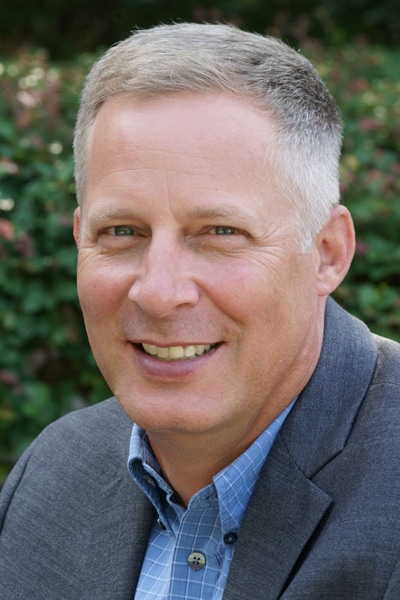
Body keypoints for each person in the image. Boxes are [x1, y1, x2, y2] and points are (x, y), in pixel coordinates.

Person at [1, 22, 400, 600]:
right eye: (121, 230)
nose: (159, 292)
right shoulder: (54, 475)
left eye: (220, 231)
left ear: (327, 252)